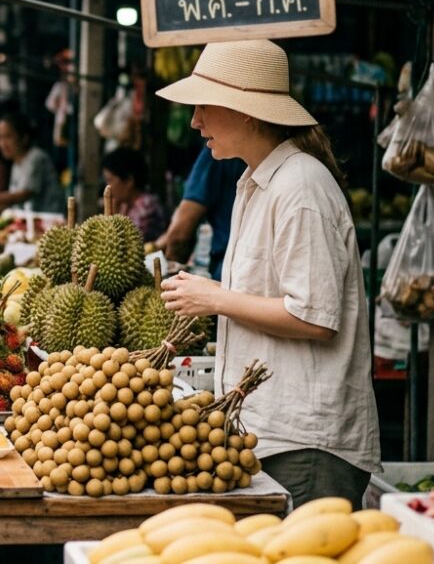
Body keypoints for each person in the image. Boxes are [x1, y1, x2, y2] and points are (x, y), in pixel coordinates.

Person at [157, 39, 381, 506]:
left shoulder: (299, 187)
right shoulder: (256, 184)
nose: (195, 121)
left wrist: (216, 299)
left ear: (247, 113)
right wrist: (214, 294)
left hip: (306, 443)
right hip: (269, 431)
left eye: (205, 107)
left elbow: (316, 318)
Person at [154, 145, 244, 281]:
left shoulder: (216, 152)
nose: (196, 124)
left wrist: (170, 279)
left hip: (226, 270)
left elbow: (180, 233)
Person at [0, 111, 66, 214]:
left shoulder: (36, 158)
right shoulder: (16, 164)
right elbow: (13, 207)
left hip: (51, 222)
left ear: (24, 138)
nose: (2, 144)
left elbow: (21, 196)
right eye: (0, 138)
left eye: (8, 137)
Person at [101, 147, 167, 242]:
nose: (107, 186)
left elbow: (127, 244)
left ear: (129, 181)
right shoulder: (125, 205)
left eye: (110, 180)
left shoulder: (146, 206)